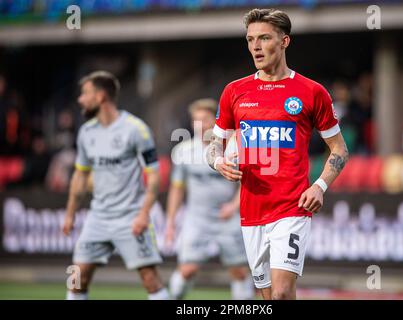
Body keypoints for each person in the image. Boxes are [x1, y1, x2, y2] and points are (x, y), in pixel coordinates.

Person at [206, 9, 349, 300]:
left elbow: (339, 149)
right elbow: (212, 145)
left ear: (284, 42)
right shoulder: (235, 91)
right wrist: (218, 161)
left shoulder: (312, 92)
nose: (255, 46)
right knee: (266, 296)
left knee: (282, 293)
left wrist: (319, 186)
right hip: (251, 211)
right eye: (250, 39)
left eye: (264, 38)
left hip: (292, 208)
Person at [62, 70, 170, 300]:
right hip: (98, 217)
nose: (80, 99)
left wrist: (143, 214)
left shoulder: (136, 129)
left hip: (130, 217)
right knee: (76, 278)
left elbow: (153, 176)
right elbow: (80, 176)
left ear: (101, 96)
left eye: (85, 94)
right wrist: (70, 213)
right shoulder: (86, 133)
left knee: (150, 279)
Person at [165, 98, 254, 300]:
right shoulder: (183, 151)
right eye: (196, 120)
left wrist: (233, 206)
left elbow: (246, 183)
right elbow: (177, 189)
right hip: (197, 219)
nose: (200, 125)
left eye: (205, 120)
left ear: (215, 121)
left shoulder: (233, 148)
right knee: (187, 270)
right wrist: (170, 222)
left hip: (228, 218)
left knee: (239, 272)